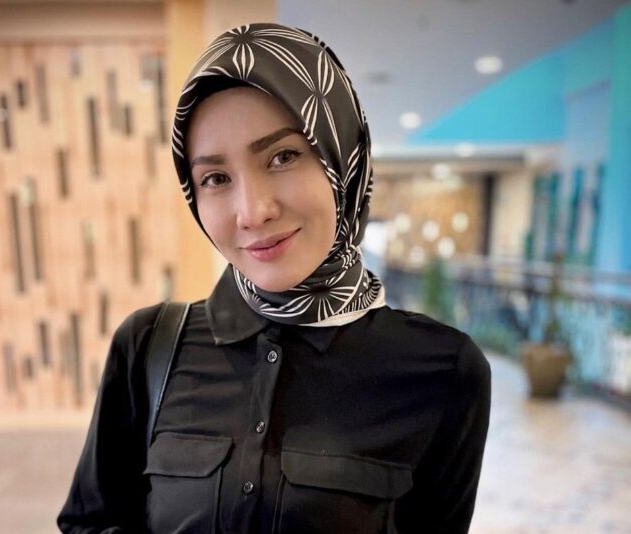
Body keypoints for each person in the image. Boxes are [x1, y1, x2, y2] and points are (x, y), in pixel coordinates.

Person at [58, 22, 490, 533]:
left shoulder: (442, 370)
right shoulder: (148, 347)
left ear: (341, 160)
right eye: (216, 178)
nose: (252, 211)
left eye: (283, 157)